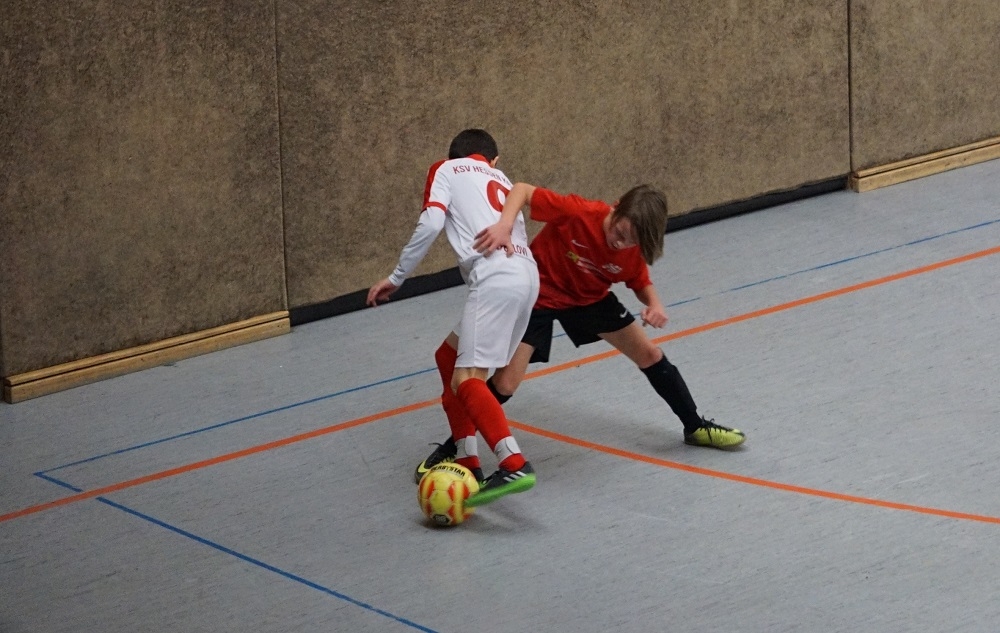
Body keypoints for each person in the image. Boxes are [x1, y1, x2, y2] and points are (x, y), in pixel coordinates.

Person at [414, 182, 744, 476]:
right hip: (539, 296)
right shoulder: (579, 212)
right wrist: (504, 225)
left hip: (589, 300)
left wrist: (654, 304)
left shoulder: (630, 249)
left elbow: (639, 281)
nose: (619, 243)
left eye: (629, 241)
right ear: (616, 207)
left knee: (650, 354)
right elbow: (523, 190)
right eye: (618, 231)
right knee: (505, 382)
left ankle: (695, 426)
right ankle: (456, 445)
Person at [367, 129, 540, 507]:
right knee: (448, 357)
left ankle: (513, 462)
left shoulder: (445, 169)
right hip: (528, 277)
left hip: (495, 278)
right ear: (493, 159)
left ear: (454, 155)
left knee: (467, 378)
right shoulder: (501, 177)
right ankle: (467, 459)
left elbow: (431, 223)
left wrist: (397, 278)